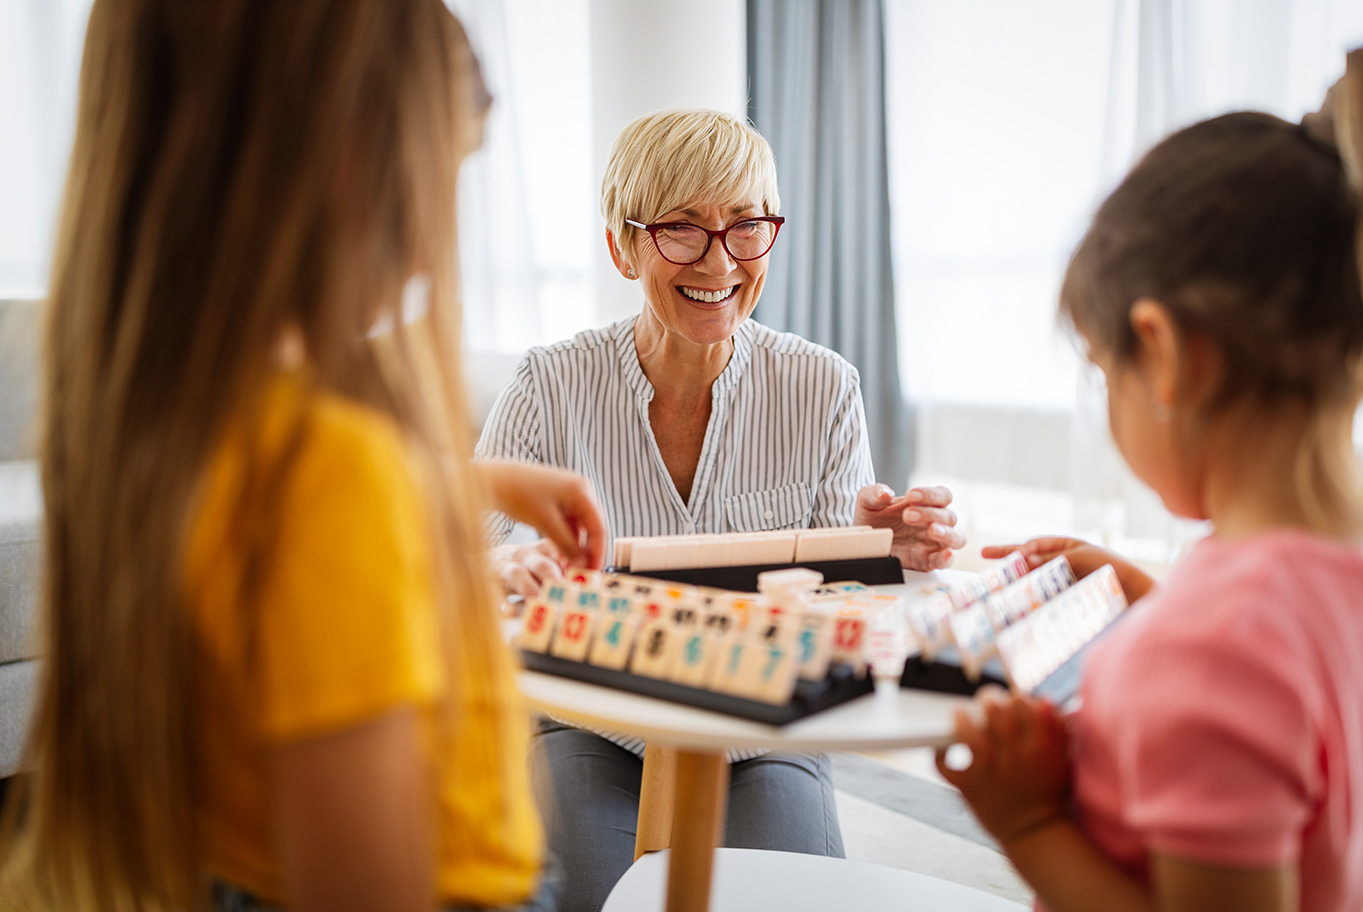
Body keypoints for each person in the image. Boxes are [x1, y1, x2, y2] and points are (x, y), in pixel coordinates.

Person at [0, 2, 606, 911]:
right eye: (442, 167)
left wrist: (472, 481)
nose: (442, 223)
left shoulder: (176, 425)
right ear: (346, 161)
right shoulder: (337, 479)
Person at [475, 108, 966, 912]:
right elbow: (472, 558)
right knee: (589, 900)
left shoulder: (823, 386)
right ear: (622, 246)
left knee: (782, 900)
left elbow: (856, 605)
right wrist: (504, 561)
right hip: (589, 721)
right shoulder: (549, 384)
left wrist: (885, 556)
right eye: (682, 229)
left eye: (745, 227)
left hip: (765, 729)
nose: (720, 260)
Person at [938, 90, 1363, 912]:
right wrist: (1158, 603)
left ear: (1164, 355)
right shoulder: (1331, 565)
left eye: (1105, 370)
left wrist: (1030, 824)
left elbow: (1232, 665)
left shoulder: (1213, 646)